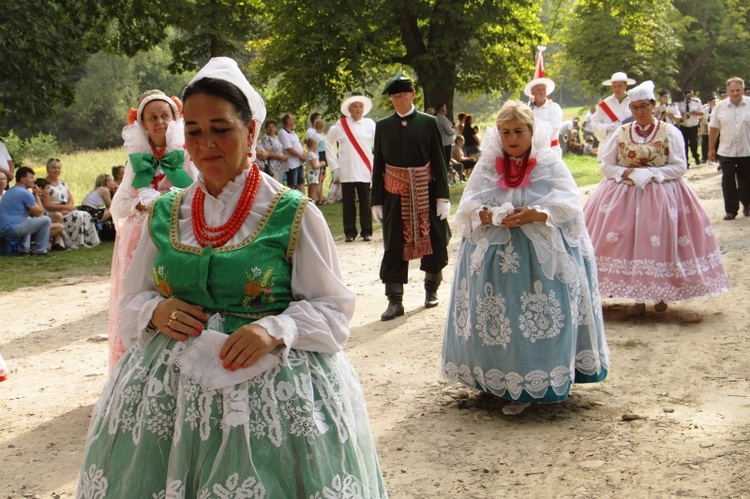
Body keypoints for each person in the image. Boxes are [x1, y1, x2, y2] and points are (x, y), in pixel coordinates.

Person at [76, 56, 386, 498]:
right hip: (170, 399)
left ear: (252, 131)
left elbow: (333, 309)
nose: (207, 145)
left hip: (270, 391)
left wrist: (275, 327)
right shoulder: (165, 212)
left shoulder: (293, 212)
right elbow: (131, 298)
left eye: (221, 129)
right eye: (196, 132)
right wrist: (155, 309)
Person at [440, 99, 609, 416]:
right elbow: (468, 206)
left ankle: (539, 379)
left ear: (532, 132)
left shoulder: (549, 162)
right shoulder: (488, 164)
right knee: (500, 317)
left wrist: (538, 213)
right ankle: (497, 377)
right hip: (497, 256)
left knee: (531, 317)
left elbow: (571, 205)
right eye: (505, 132)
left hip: (538, 259)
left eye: (519, 131)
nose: (512, 138)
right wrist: (487, 216)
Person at [583, 81, 730, 316]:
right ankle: (637, 295)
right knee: (627, 241)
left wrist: (653, 173)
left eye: (643, 107)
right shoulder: (621, 132)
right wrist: (626, 172)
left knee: (659, 240)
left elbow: (680, 166)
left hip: (661, 193)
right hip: (624, 194)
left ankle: (661, 292)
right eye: (634, 108)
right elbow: (607, 165)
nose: (639, 113)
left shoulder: (669, 131)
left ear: (653, 105)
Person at [108, 89, 198, 370]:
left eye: (165, 116)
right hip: (138, 240)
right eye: (152, 117)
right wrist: (139, 203)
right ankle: (134, 367)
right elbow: (118, 205)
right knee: (140, 298)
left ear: (176, 119)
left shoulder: (186, 156)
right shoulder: (136, 160)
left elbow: (198, 192)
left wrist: (168, 201)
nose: (159, 122)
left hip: (177, 236)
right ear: (142, 124)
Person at [371, 70, 451, 320]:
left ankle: (431, 290)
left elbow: (438, 160)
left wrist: (443, 196)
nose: (399, 101)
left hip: (425, 190)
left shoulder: (429, 122)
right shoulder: (383, 126)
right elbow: (378, 164)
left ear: (413, 95)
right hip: (395, 194)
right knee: (394, 245)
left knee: (435, 241)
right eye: (394, 98)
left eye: (403, 96)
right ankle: (395, 301)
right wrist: (376, 200)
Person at [325, 95, 376, 242]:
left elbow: (380, 141)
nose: (358, 109)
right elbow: (328, 143)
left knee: (365, 202)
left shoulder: (370, 124)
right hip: (346, 169)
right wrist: (335, 166)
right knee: (348, 203)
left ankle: (367, 231)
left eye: (360, 106)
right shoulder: (340, 125)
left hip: (364, 169)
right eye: (355, 106)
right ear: (349, 109)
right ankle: (350, 232)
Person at [708, 76, 750, 220]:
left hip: (747, 150)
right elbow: (713, 129)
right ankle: (731, 210)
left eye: (738, 90)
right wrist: (711, 148)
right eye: (732, 91)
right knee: (728, 181)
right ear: (727, 91)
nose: (735, 93)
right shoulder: (720, 107)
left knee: (746, 180)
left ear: (743, 90)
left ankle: (747, 204)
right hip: (726, 150)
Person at [0, 167, 61, 256]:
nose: (34, 180)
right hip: (12, 228)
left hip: (4, 227)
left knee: (29, 220)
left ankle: (25, 249)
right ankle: (39, 251)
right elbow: (40, 213)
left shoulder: (11, 190)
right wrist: (36, 195)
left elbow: (25, 214)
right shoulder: (24, 193)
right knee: (46, 220)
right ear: (23, 180)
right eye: (31, 177)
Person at [41, 158, 100, 249]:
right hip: (53, 212)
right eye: (53, 168)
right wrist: (65, 208)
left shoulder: (62, 183)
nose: (56, 170)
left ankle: (86, 241)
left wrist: (68, 207)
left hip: (65, 209)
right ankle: (70, 242)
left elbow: (70, 198)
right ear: (47, 169)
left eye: (58, 168)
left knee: (85, 214)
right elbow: (47, 205)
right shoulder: (45, 184)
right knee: (77, 215)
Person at [592, 72, 635, 159]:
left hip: (630, 141)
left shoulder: (633, 101)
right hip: (610, 142)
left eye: (619, 86)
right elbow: (594, 124)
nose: (616, 89)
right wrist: (608, 127)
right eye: (614, 86)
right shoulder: (605, 104)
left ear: (625, 85)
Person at [524, 68, 563, 157]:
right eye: (539, 90)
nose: (542, 92)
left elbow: (553, 128)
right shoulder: (527, 109)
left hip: (551, 150)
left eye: (543, 90)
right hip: (531, 152)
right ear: (532, 92)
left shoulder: (554, 108)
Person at [79, 174, 118, 241]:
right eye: (112, 181)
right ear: (107, 183)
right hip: (91, 212)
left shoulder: (97, 190)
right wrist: (116, 190)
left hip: (87, 210)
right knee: (111, 210)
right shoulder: (104, 190)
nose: (114, 182)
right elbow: (111, 206)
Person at [278, 113, 306, 192]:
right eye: (292, 119)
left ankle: (303, 200)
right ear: (288, 121)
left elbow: (298, 145)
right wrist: (300, 156)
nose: (294, 121)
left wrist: (303, 154)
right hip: (291, 164)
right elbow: (289, 148)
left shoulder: (293, 133)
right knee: (292, 184)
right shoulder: (283, 133)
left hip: (298, 162)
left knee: (301, 181)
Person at [677, 88, 703, 167]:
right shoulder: (680, 103)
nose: (688, 97)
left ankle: (696, 156)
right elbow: (676, 114)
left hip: (693, 125)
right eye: (687, 95)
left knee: (693, 143)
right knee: (684, 144)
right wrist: (680, 114)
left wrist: (696, 113)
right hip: (684, 126)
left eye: (690, 95)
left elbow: (702, 113)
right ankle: (686, 161)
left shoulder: (697, 102)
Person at [259, 119, 288, 184]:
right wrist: (281, 157)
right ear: (266, 128)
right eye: (269, 127)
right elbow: (267, 152)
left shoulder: (276, 137)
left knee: (280, 184)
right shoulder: (266, 138)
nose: (271, 128)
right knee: (275, 183)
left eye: (273, 126)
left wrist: (283, 157)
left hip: (279, 165)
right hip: (271, 165)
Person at [304, 136, 325, 203]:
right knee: (314, 190)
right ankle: (315, 201)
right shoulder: (311, 155)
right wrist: (322, 164)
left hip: (313, 173)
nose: (317, 146)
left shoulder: (312, 154)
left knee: (313, 189)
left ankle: (312, 202)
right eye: (316, 144)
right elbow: (314, 166)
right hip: (312, 174)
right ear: (313, 145)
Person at [436, 104, 455, 169]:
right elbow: (449, 131)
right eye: (445, 108)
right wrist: (454, 130)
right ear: (442, 109)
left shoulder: (436, 118)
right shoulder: (443, 119)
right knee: (446, 160)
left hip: (440, 142)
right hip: (446, 142)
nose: (446, 110)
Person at [700, 93, 716, 164]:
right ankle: (704, 157)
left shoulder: (717, 108)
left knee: (715, 142)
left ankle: (715, 157)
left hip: (714, 126)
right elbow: (702, 116)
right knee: (705, 142)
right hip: (706, 125)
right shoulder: (705, 108)